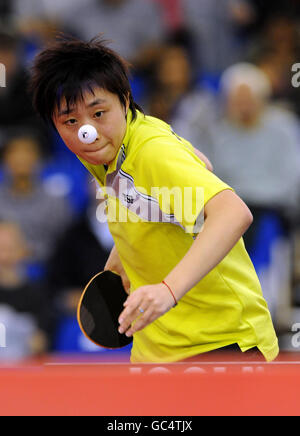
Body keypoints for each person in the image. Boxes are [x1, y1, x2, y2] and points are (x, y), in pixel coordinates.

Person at [29, 35, 279, 363]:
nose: (87, 130)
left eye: (99, 112)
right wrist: (124, 254)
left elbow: (234, 214)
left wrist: (168, 290)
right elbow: (154, 194)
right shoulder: (101, 146)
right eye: (70, 121)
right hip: (157, 350)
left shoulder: (152, 151)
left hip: (222, 343)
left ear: (125, 98)